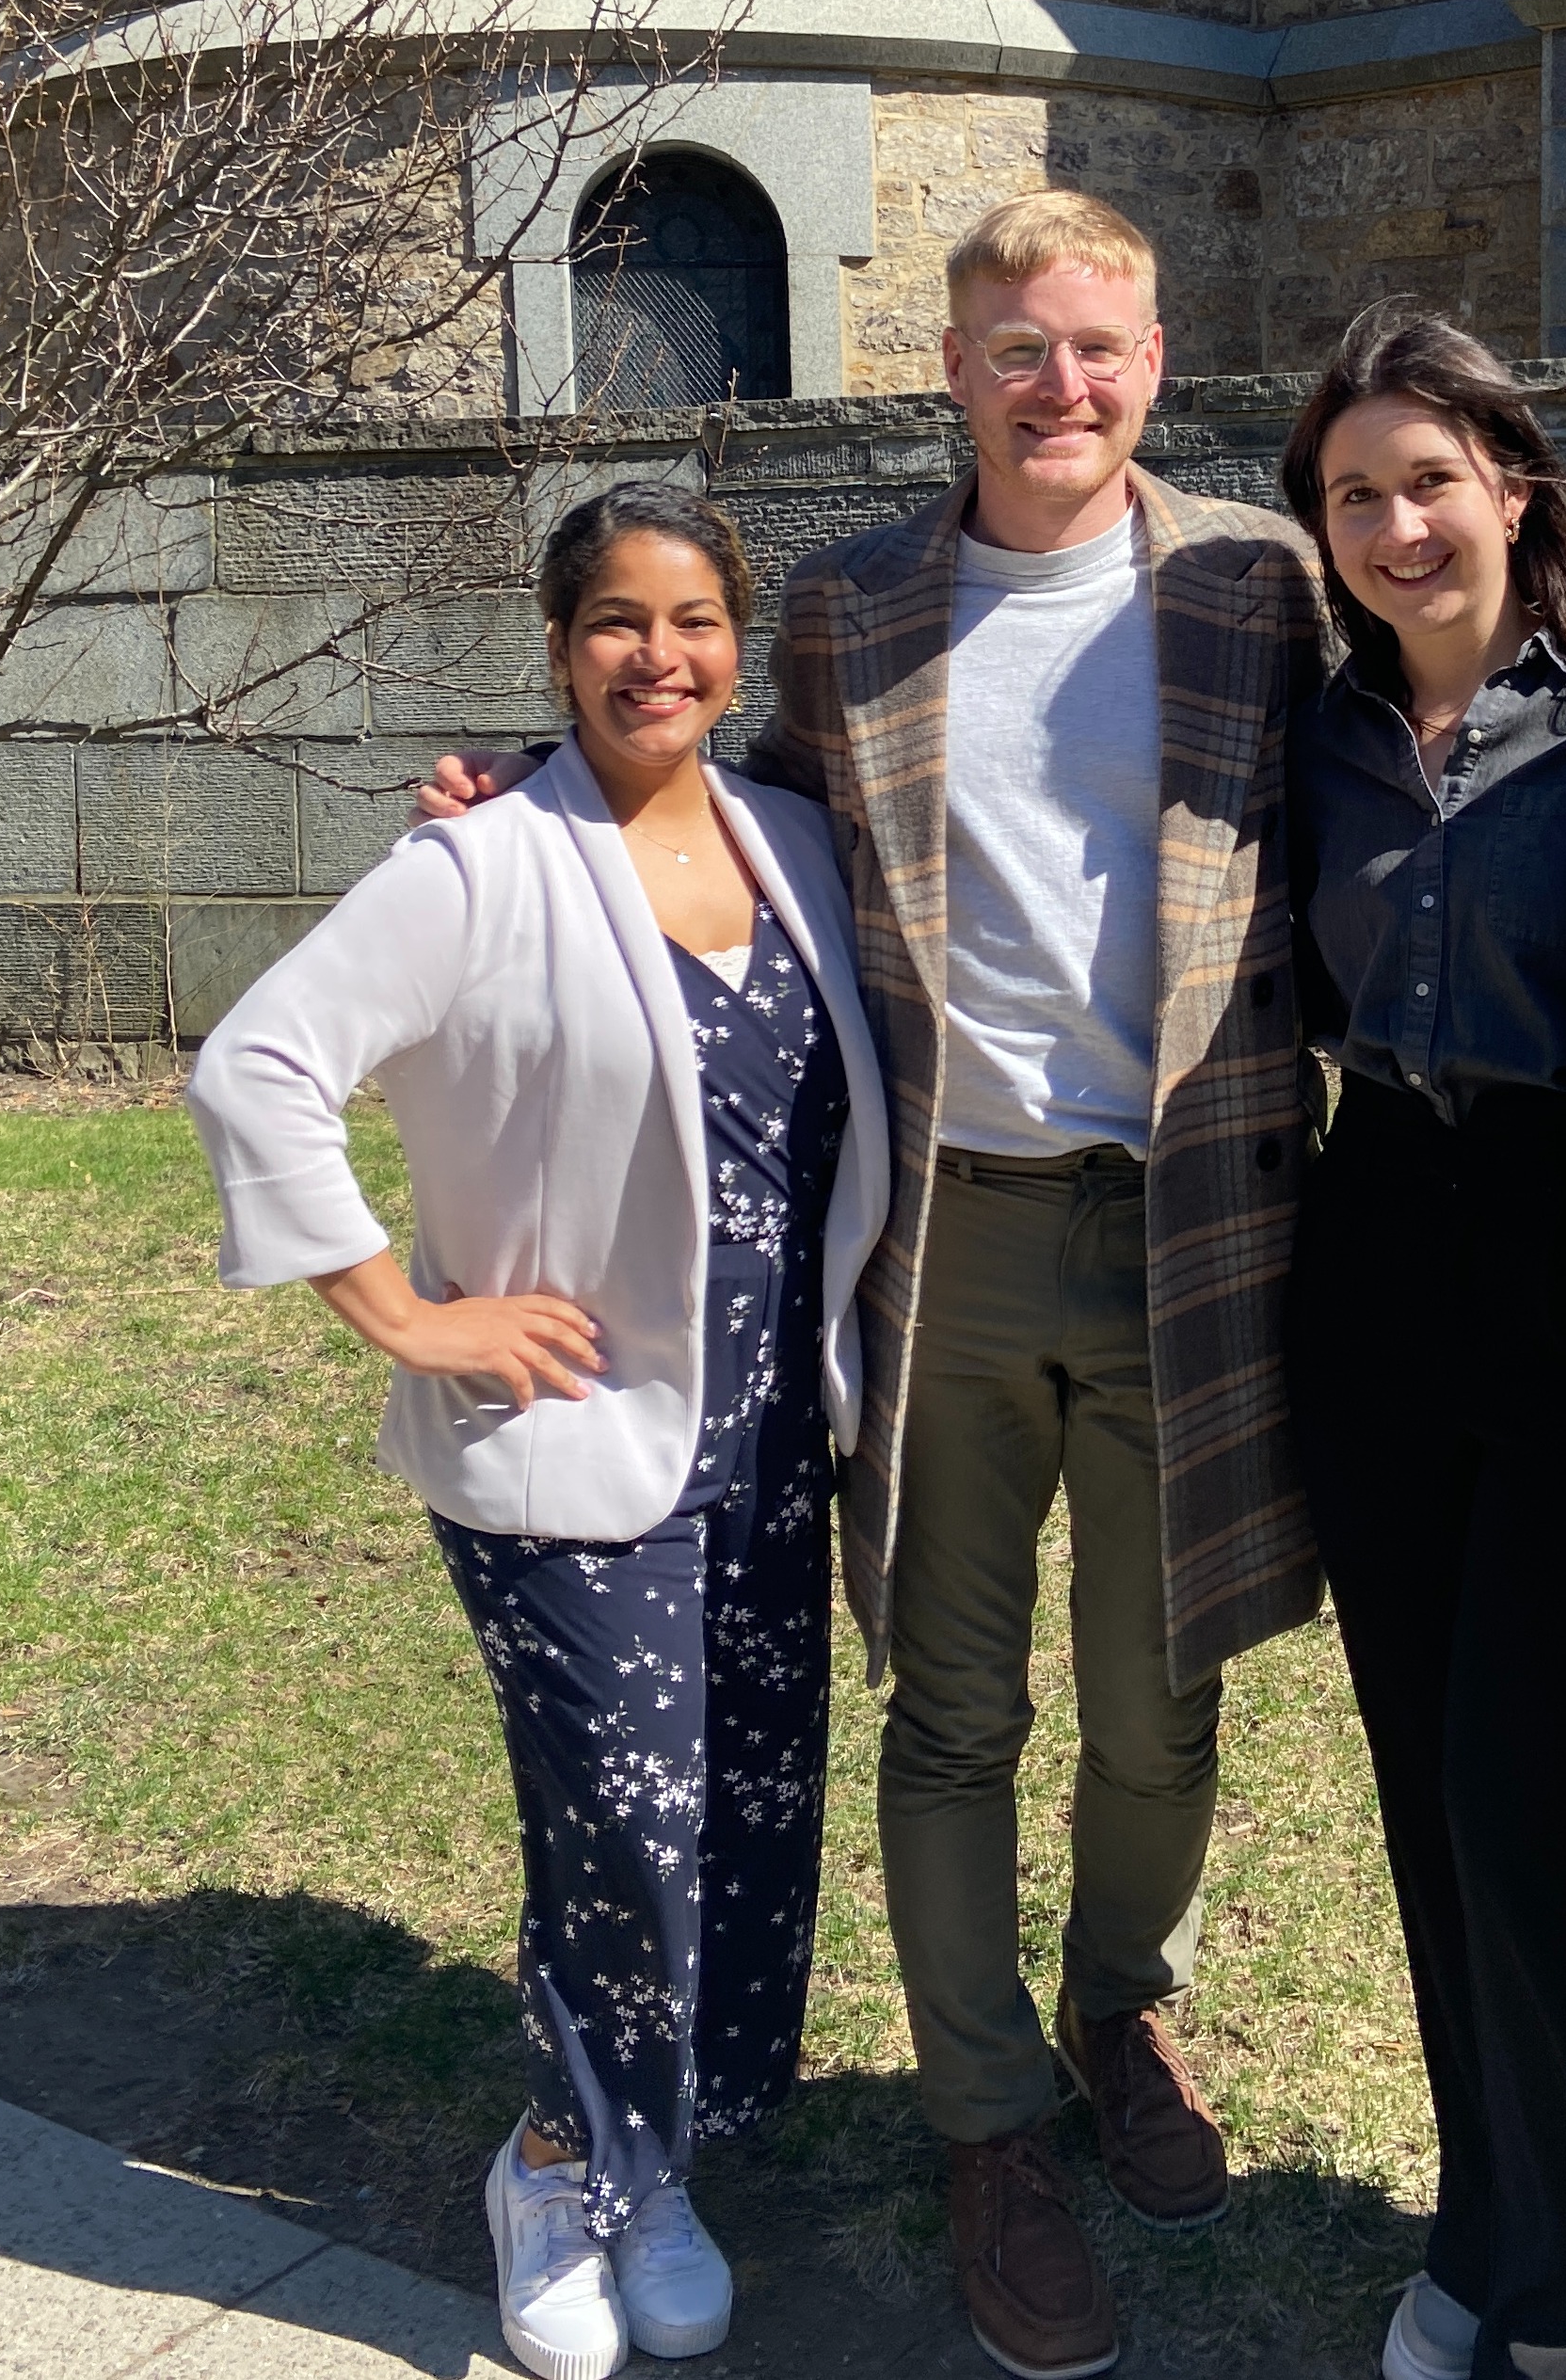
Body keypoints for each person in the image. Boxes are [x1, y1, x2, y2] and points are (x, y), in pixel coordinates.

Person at [419, 189, 1328, 2380]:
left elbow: (1430, 705)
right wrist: (512, 800)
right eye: (1015, 346)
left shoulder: (1253, 586)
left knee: (1161, 1688)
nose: (1059, 384)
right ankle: (986, 2113)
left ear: (1154, 350)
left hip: (1198, 1216)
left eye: (1095, 344)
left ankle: (1120, 2005)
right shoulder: (848, 608)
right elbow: (703, 804)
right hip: (945, 1229)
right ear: (952, 362)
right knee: (950, 1704)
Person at [188, 486, 891, 2380]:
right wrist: (407, 1312)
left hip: (761, 1442)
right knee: (621, 1834)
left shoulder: (803, 845)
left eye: (691, 619)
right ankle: (559, 2162)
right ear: (556, 643)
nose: (656, 655)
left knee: (746, 1814)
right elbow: (255, 1062)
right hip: (568, 1438)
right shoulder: (479, 862)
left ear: (738, 639)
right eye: (612, 620)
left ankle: (660, 2158)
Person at [1272, 306, 1566, 2380]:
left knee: (1552, 1796)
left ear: (1511, 485)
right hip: (1368, 1260)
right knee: (1430, 1792)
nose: (1390, 522)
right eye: (1350, 492)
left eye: (1426, 477)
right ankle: (1486, 2218)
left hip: (1563, 1256)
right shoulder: (1319, 728)